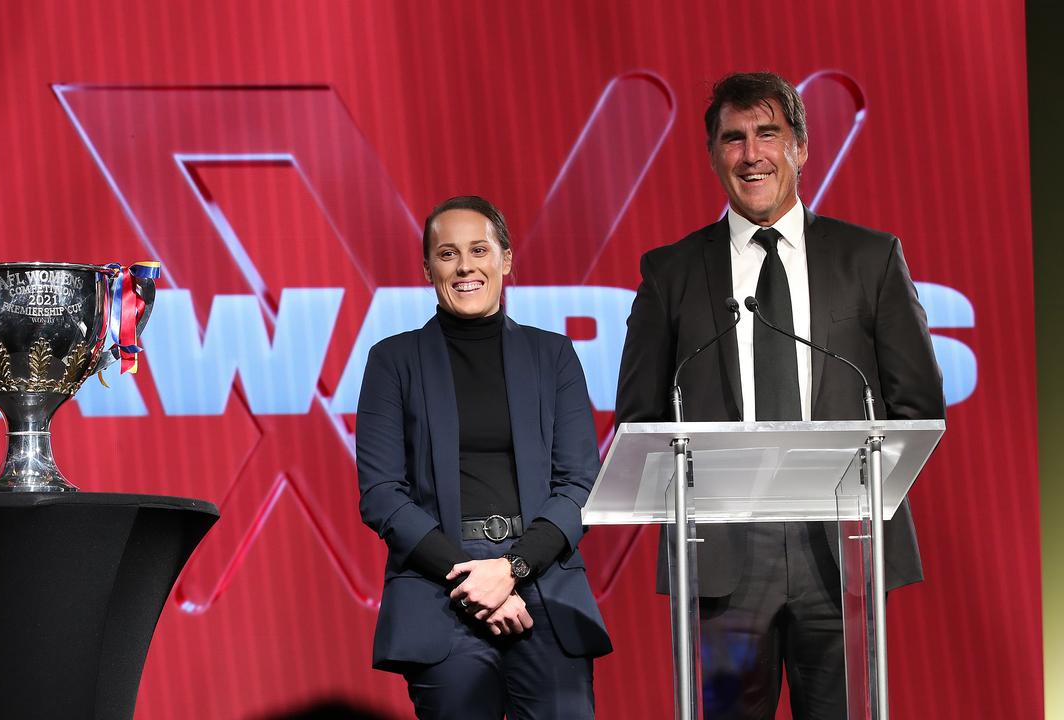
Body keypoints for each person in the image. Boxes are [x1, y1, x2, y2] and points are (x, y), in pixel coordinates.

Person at [615, 72, 945, 719]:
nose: (751, 154)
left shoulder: (870, 259)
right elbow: (641, 419)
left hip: (842, 552)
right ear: (713, 155)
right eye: (733, 139)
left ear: (800, 147)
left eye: (768, 133)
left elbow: (917, 406)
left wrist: (865, 492)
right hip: (721, 562)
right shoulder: (672, 273)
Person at [356, 196, 612, 719]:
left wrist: (512, 568)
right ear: (427, 267)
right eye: (447, 254)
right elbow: (382, 494)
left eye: (479, 249)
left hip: (542, 575)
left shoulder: (554, 355)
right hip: (439, 584)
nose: (466, 266)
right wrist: (475, 579)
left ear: (506, 259)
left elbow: (579, 484)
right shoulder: (392, 360)